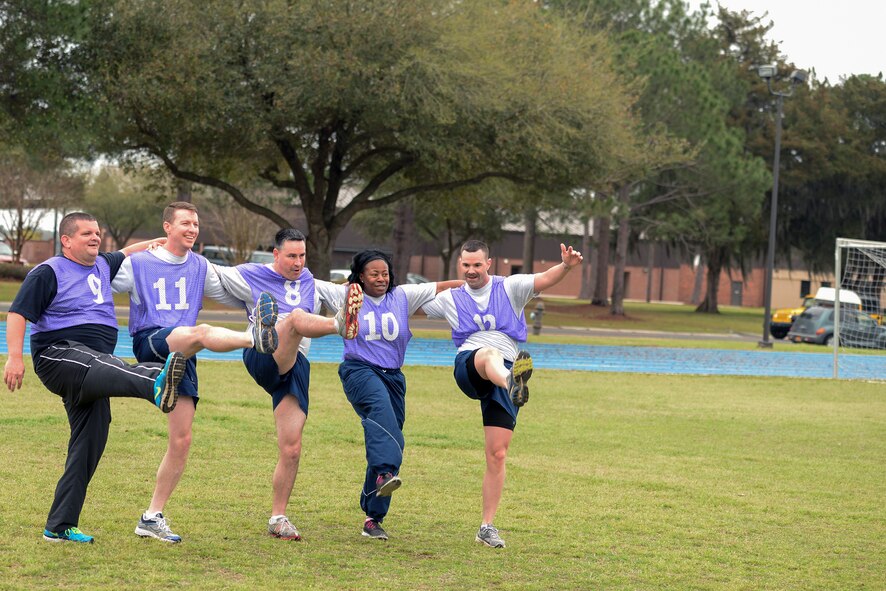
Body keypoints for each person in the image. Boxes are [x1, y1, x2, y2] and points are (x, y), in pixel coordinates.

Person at [3, 212, 187, 544]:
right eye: (87, 233)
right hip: (58, 355)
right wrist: (14, 358)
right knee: (103, 364)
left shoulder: (103, 264)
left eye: (98, 233)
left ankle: (59, 526)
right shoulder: (48, 271)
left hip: (91, 366)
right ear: (66, 240)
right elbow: (17, 313)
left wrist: (161, 242)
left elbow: (130, 252)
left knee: (90, 442)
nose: (95, 238)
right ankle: (155, 382)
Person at [111, 201, 279, 544]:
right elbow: (99, 272)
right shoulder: (139, 264)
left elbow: (236, 292)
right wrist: (139, 245)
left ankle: (151, 516)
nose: (192, 229)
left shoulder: (201, 266)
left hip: (183, 357)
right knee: (201, 332)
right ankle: (255, 339)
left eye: (196, 224)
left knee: (182, 440)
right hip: (153, 341)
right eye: (185, 223)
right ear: (167, 227)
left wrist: (279, 295)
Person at [423, 239, 582, 548]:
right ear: (460, 265)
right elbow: (407, 302)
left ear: (489, 264)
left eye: (477, 265)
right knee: (487, 353)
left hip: (509, 370)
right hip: (471, 366)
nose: (471, 271)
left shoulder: (510, 287)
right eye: (465, 265)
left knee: (497, 454)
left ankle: (486, 526)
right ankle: (511, 381)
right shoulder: (451, 298)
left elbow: (545, 278)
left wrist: (565, 266)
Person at [213, 228, 364, 540]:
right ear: (276, 254)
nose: (298, 262)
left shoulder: (310, 281)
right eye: (292, 256)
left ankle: (278, 518)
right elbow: (205, 272)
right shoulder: (249, 275)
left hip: (295, 365)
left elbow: (355, 295)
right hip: (260, 355)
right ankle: (336, 325)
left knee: (292, 447)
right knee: (295, 318)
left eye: (302, 255)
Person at [323, 250, 462, 541]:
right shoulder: (347, 294)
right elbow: (309, 285)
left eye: (385, 273)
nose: (381, 278)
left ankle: (372, 517)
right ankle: (385, 474)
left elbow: (440, 286)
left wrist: (478, 282)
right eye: (374, 273)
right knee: (383, 422)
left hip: (394, 377)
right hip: (359, 370)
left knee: (392, 438)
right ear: (360, 275)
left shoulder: (402, 296)